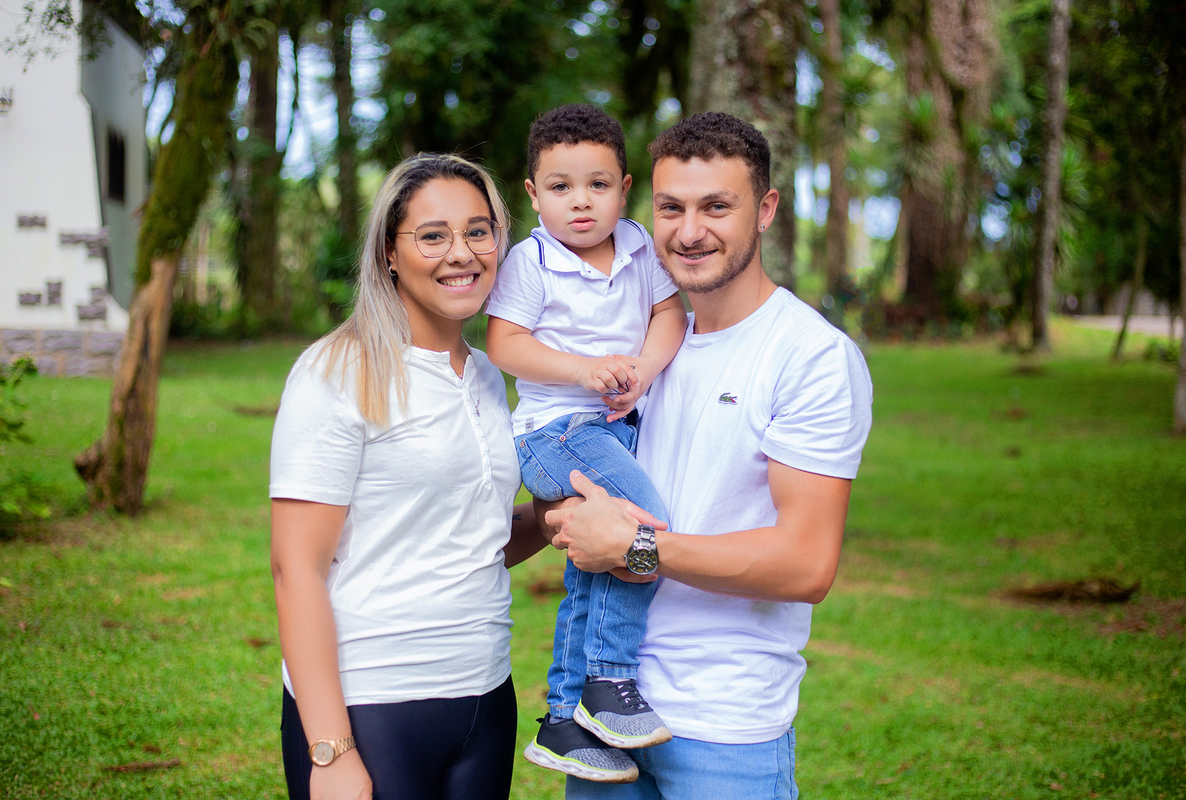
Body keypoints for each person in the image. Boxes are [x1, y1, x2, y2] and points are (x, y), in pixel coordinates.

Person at [544, 112, 874, 800]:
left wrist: (630, 546)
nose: (689, 232)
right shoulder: (642, 347)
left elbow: (807, 562)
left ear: (766, 210)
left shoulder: (810, 357)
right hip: (606, 716)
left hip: (725, 724)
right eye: (671, 208)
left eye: (716, 206)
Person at [269, 153, 549, 800]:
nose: (462, 252)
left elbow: (468, 535)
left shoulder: (485, 374)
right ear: (390, 253)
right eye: (433, 235)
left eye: (479, 231)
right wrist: (330, 749)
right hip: (375, 701)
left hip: (484, 696)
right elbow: (295, 567)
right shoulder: (337, 371)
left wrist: (554, 516)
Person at [486, 104, 688, 784]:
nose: (581, 202)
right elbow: (505, 344)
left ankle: (566, 721)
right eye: (562, 187)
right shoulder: (530, 259)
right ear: (533, 193)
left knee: (595, 564)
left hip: (616, 426)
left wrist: (645, 371)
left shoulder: (638, 247)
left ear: (624, 187)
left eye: (597, 185)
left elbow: (669, 314)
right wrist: (584, 369)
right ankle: (609, 680)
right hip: (556, 433)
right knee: (641, 526)